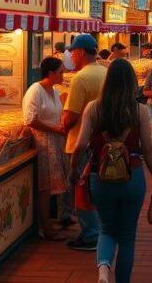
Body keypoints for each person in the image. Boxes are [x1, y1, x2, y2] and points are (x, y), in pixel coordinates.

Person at [70, 59, 152, 283]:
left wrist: (74, 169)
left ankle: (103, 270)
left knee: (106, 228)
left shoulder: (94, 108)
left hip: (100, 176)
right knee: (127, 236)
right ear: (131, 82)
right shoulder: (139, 110)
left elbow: (80, 144)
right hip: (132, 175)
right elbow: (148, 150)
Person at [62, 33, 106, 251]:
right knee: (95, 188)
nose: (70, 55)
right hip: (101, 141)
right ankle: (98, 230)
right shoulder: (105, 72)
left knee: (82, 189)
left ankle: (90, 234)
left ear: (80, 52)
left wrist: (63, 109)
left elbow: (70, 118)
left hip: (81, 140)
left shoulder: (80, 78)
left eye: (72, 51)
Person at [23, 56, 71, 240]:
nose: (63, 75)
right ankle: (47, 229)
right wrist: (54, 129)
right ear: (50, 73)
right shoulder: (35, 90)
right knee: (44, 186)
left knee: (51, 185)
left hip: (55, 140)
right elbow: (30, 119)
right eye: (60, 72)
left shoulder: (54, 90)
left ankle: (51, 222)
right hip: (43, 142)